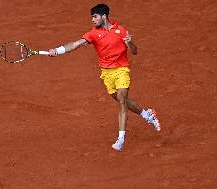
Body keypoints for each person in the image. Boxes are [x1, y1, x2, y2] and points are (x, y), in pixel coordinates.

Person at [48, 3, 161, 151]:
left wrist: (130, 43)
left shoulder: (121, 31)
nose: (93, 20)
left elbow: (135, 51)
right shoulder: (93, 33)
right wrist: (58, 50)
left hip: (121, 70)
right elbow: (76, 44)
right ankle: (147, 114)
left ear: (104, 16)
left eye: (95, 17)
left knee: (121, 100)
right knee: (123, 100)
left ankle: (121, 139)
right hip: (106, 73)